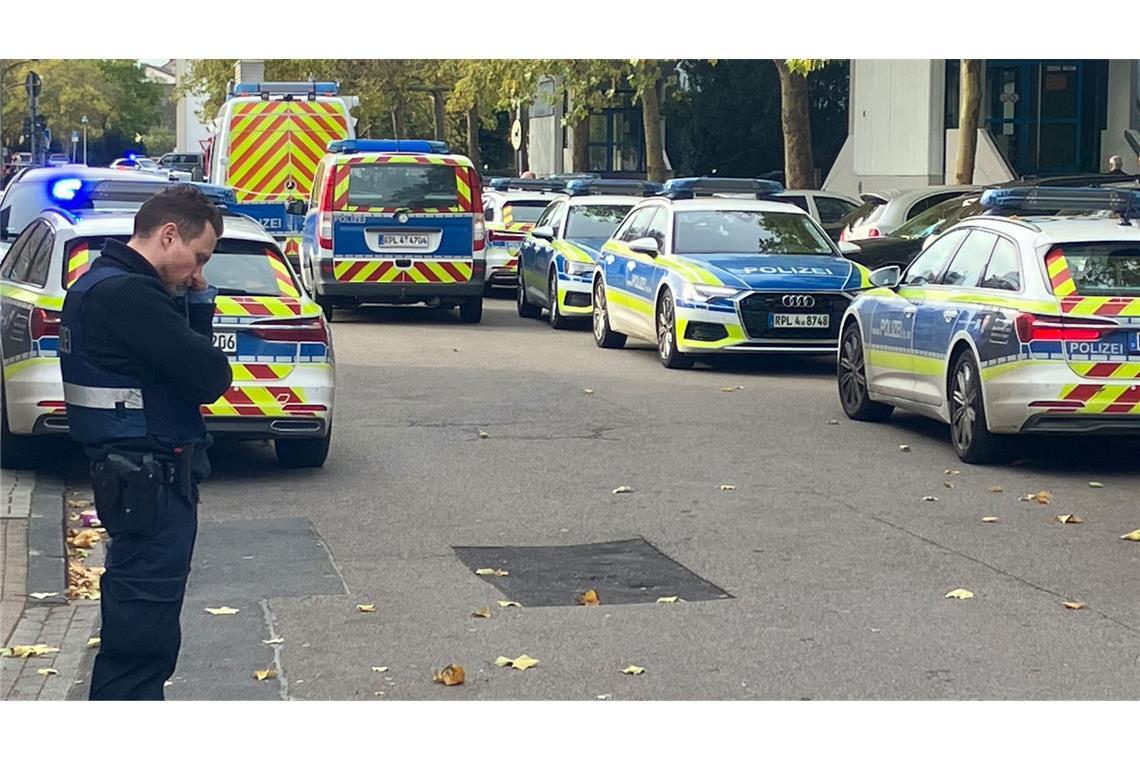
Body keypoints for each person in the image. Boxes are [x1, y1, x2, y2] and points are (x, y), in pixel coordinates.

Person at [59, 185, 233, 700]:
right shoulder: (129, 296)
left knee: (140, 633)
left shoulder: (103, 284)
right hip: (150, 485)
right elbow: (207, 375)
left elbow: (178, 366)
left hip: (135, 480)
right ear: (168, 234)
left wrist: (189, 303)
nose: (198, 275)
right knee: (141, 644)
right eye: (197, 258)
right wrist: (200, 306)